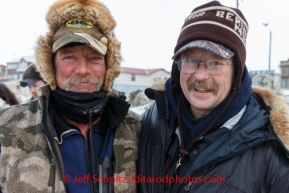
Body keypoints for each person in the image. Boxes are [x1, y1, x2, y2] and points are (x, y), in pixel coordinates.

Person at [138, 1, 289, 193]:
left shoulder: (272, 150)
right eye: (190, 61)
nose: (201, 76)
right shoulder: (152, 121)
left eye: (216, 63)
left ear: (237, 72)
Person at [0, 0, 141, 192]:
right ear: (51, 66)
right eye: (69, 56)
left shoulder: (137, 129)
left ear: (108, 67)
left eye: (95, 58)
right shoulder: (8, 127)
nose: (82, 70)